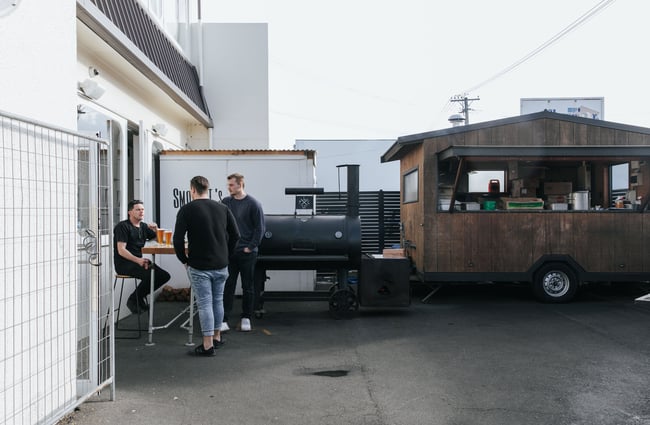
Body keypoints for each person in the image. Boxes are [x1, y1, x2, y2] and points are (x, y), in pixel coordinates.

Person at [174, 176, 240, 357]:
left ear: (192, 190)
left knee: (204, 304)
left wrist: (183, 259)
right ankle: (217, 338)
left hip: (199, 265)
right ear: (207, 189)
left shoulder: (186, 210)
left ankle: (207, 345)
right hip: (221, 263)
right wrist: (227, 254)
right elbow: (236, 235)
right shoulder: (222, 208)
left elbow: (178, 239)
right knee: (217, 301)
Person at [221, 173, 265, 332]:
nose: (229, 188)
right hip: (230, 253)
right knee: (228, 285)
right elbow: (221, 225)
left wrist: (250, 247)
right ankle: (224, 319)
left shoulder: (254, 204)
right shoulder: (226, 202)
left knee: (248, 286)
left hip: (247, 253)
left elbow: (260, 228)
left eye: (231, 185)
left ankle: (246, 318)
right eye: (228, 185)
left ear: (240, 185)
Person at [113, 199, 171, 314]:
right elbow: (121, 250)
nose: (141, 212)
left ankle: (138, 298)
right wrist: (138, 260)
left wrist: (156, 230)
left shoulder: (143, 226)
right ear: (130, 212)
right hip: (124, 264)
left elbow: (158, 240)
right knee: (151, 276)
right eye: (138, 209)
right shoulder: (123, 226)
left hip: (139, 261)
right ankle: (134, 299)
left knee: (164, 276)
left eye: (142, 209)